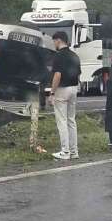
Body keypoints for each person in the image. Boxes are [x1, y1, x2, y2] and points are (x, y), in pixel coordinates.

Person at [48, 31, 81, 160]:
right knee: (71, 120)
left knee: (61, 121)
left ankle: (65, 151)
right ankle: (74, 151)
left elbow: (57, 75)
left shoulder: (58, 56)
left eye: (54, 41)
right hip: (74, 88)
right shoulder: (74, 55)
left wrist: (52, 92)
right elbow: (78, 74)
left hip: (62, 89)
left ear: (59, 40)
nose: (54, 44)